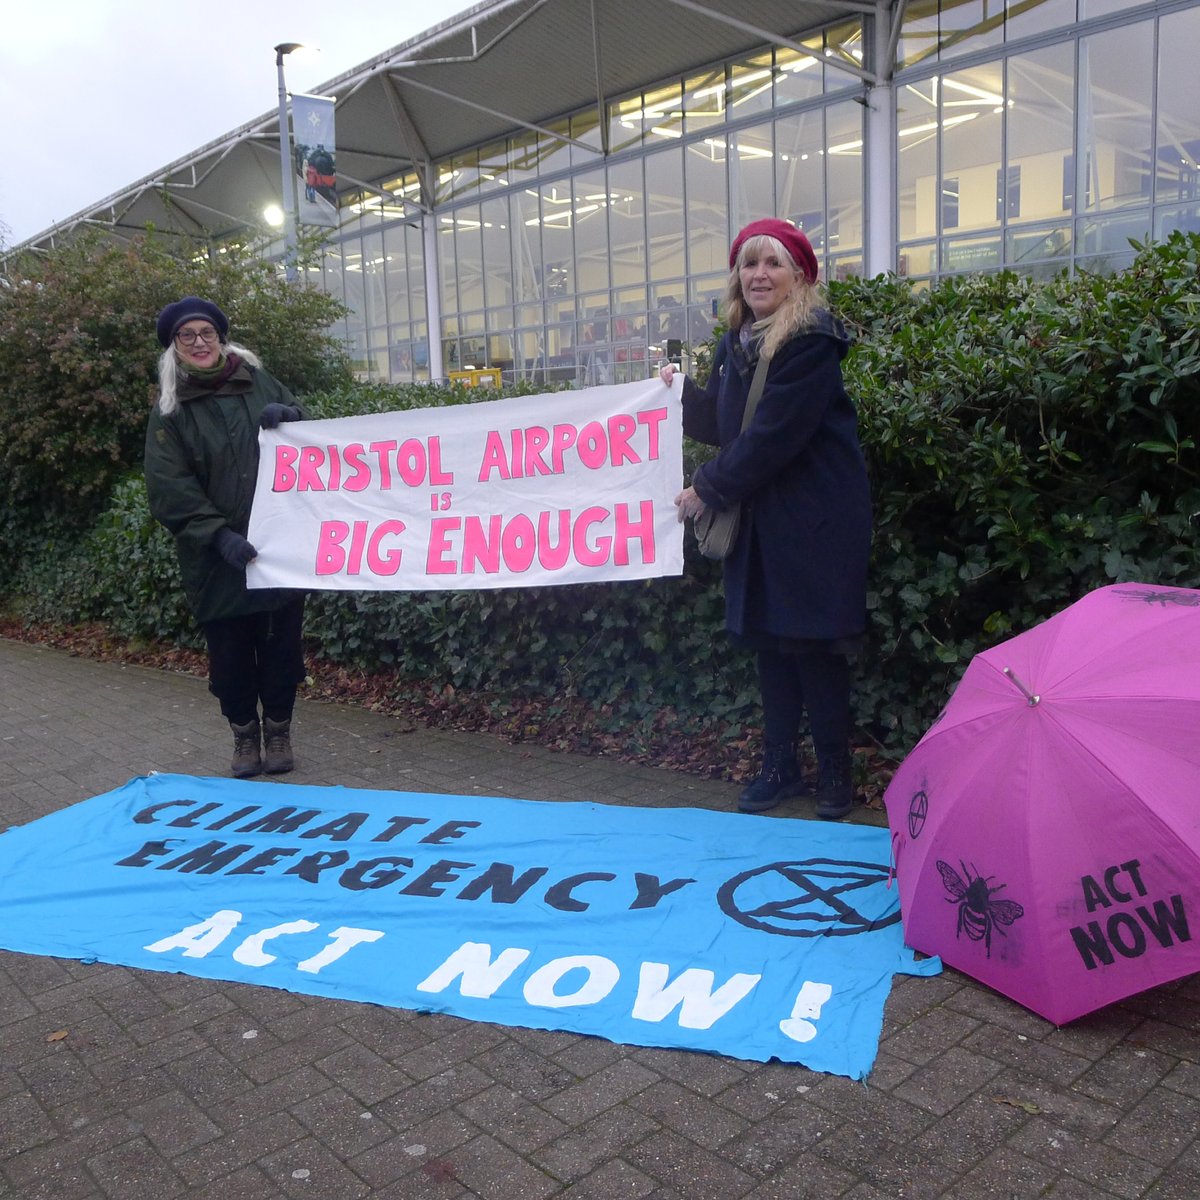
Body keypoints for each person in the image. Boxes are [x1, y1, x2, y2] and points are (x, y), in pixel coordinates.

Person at [660, 219, 871, 819]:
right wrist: (677, 396)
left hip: (815, 525)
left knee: (814, 648)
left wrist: (705, 485)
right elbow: (727, 429)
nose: (758, 275)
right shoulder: (735, 342)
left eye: (772, 263)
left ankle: (835, 772)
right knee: (771, 648)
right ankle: (780, 766)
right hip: (761, 521)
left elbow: (775, 437)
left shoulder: (810, 343)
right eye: (749, 264)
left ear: (798, 275)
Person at [144, 297, 307, 778]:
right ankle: (244, 737)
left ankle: (278, 731)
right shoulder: (170, 410)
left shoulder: (258, 381)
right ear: (174, 346)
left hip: (277, 548)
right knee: (231, 660)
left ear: (220, 336)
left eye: (206, 332)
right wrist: (216, 535)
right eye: (186, 335)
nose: (198, 342)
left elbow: (308, 435)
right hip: (216, 562)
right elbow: (169, 487)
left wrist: (293, 417)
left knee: (281, 651)